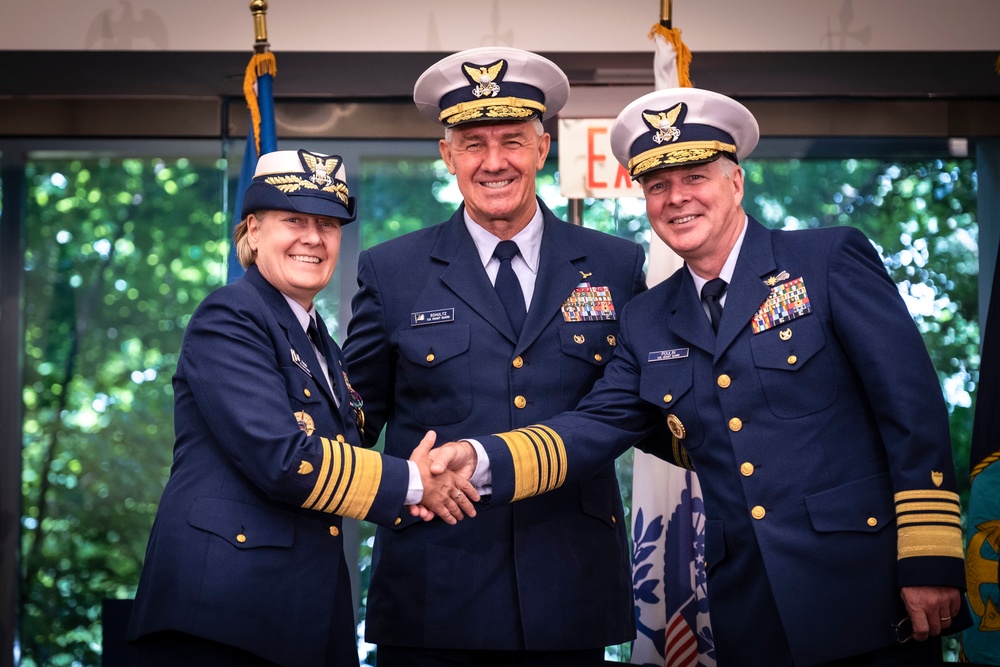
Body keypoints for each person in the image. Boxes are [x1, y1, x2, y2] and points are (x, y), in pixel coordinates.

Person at [430, 88, 971, 666]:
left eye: (695, 177)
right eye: (657, 186)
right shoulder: (646, 319)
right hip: (747, 604)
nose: (676, 198)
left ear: (735, 182)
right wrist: (479, 458)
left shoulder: (826, 260)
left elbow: (910, 409)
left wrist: (931, 557)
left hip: (867, 585)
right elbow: (594, 425)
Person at [342, 47, 652, 666]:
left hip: (571, 581)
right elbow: (352, 421)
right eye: (472, 142)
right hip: (435, 580)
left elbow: (632, 406)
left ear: (541, 149)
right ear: (447, 155)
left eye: (512, 139)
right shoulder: (393, 270)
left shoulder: (617, 265)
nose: (494, 161)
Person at [126, 149, 478, 667]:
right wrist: (415, 481)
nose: (313, 237)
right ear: (253, 229)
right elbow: (284, 458)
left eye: (327, 223)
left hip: (297, 614)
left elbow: (341, 460)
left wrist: (417, 486)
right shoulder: (231, 315)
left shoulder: (320, 344)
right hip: (220, 616)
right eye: (294, 220)